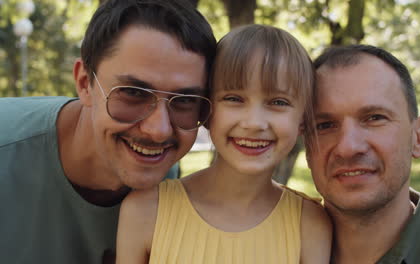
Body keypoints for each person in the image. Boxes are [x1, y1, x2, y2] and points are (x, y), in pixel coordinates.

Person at [0, 0, 216, 263]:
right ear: (84, 83)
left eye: (184, 100)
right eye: (133, 93)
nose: (158, 131)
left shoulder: (163, 178)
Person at [116, 24, 332, 264]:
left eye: (278, 102)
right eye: (234, 99)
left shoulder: (310, 224)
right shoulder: (145, 212)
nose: (254, 123)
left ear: (302, 121)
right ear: (206, 111)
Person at [304, 44, 420, 263]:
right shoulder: (272, 252)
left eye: (374, 118)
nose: (348, 147)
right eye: (324, 125)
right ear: (307, 148)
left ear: (418, 137)